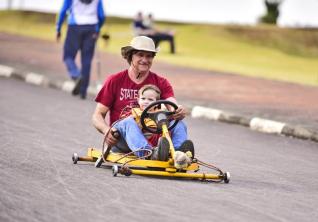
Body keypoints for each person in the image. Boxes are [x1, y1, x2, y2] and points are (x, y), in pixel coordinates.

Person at [92, 36, 194, 163]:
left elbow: (172, 105)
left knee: (178, 123)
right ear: (130, 56)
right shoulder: (115, 80)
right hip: (123, 138)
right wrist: (106, 131)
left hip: (152, 134)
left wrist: (179, 110)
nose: (145, 60)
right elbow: (97, 115)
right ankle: (149, 154)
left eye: (149, 56)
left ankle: (179, 155)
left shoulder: (161, 82)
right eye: (140, 55)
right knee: (129, 121)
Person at [56, 0, 105, 99]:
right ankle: (83, 92)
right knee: (86, 61)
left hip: (74, 26)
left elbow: (63, 11)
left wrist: (58, 28)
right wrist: (97, 29)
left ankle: (76, 75)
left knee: (68, 55)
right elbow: (101, 16)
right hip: (91, 27)